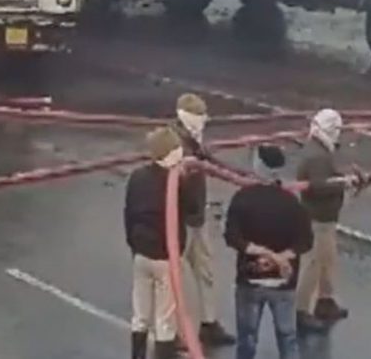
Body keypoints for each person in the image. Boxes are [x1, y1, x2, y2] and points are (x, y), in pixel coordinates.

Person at [224, 145, 313, 359]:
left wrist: (259, 252)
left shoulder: (242, 199)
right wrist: (281, 258)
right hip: (284, 283)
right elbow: (305, 241)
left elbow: (232, 237)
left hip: (249, 281)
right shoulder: (292, 204)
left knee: (247, 338)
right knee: (287, 338)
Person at [124, 126, 203, 359]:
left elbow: (128, 213)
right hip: (166, 256)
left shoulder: (137, 176)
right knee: (164, 319)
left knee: (140, 314)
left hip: (141, 253)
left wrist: (133, 245)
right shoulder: (177, 181)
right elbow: (193, 210)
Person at [168, 93, 235, 347]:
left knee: (205, 270)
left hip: (197, 216)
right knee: (176, 277)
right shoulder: (176, 145)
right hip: (179, 220)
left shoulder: (193, 141)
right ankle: (172, 332)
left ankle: (209, 323)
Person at [294, 108, 351, 331]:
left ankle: (325, 300)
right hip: (318, 218)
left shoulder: (318, 150)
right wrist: (344, 182)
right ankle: (302, 309)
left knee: (327, 260)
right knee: (314, 263)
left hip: (325, 217)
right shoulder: (318, 155)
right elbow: (319, 186)